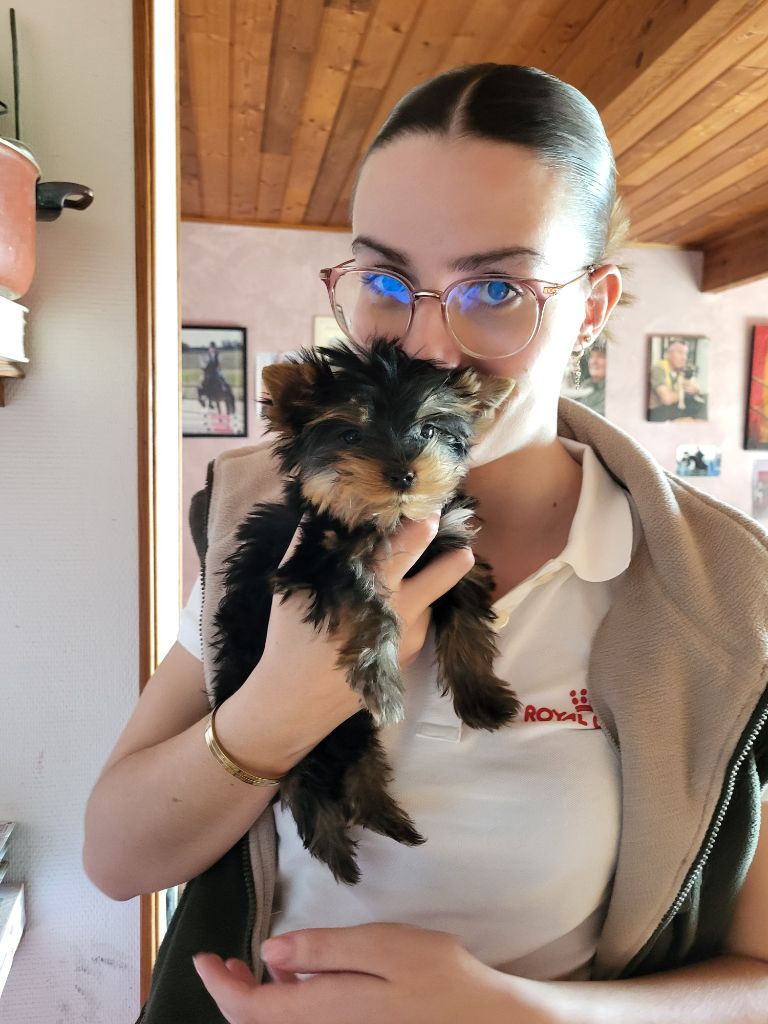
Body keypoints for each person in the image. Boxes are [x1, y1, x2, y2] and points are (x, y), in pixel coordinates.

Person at [83, 64, 768, 1024]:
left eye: (495, 288)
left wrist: (528, 1015)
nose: (429, 346)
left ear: (594, 306)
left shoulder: (726, 593)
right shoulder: (263, 510)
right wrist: (277, 711)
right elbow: (115, 861)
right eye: (386, 281)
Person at [648, 338, 706, 421]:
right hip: (656, 412)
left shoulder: (680, 370)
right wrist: (686, 393)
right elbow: (667, 399)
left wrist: (696, 389)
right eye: (680, 353)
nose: (684, 358)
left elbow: (695, 387)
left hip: (672, 408)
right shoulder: (658, 369)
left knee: (702, 403)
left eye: (686, 354)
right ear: (668, 354)